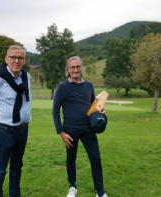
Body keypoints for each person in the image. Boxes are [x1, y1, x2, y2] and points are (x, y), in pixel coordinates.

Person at [52, 56, 108, 197]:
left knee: (96, 159)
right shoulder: (62, 87)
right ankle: (72, 187)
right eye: (72, 67)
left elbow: (92, 106)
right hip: (70, 130)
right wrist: (61, 132)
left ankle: (100, 192)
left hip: (88, 129)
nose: (75, 69)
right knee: (71, 160)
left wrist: (99, 111)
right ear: (68, 70)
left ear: (81, 68)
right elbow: (55, 111)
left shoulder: (88, 86)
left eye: (78, 67)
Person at [0, 45, 31, 197]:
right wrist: (0, 125)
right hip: (5, 131)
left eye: (20, 58)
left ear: (24, 60)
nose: (16, 61)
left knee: (17, 167)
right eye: (13, 57)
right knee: (0, 171)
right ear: (6, 59)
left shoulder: (26, 77)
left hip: (23, 130)